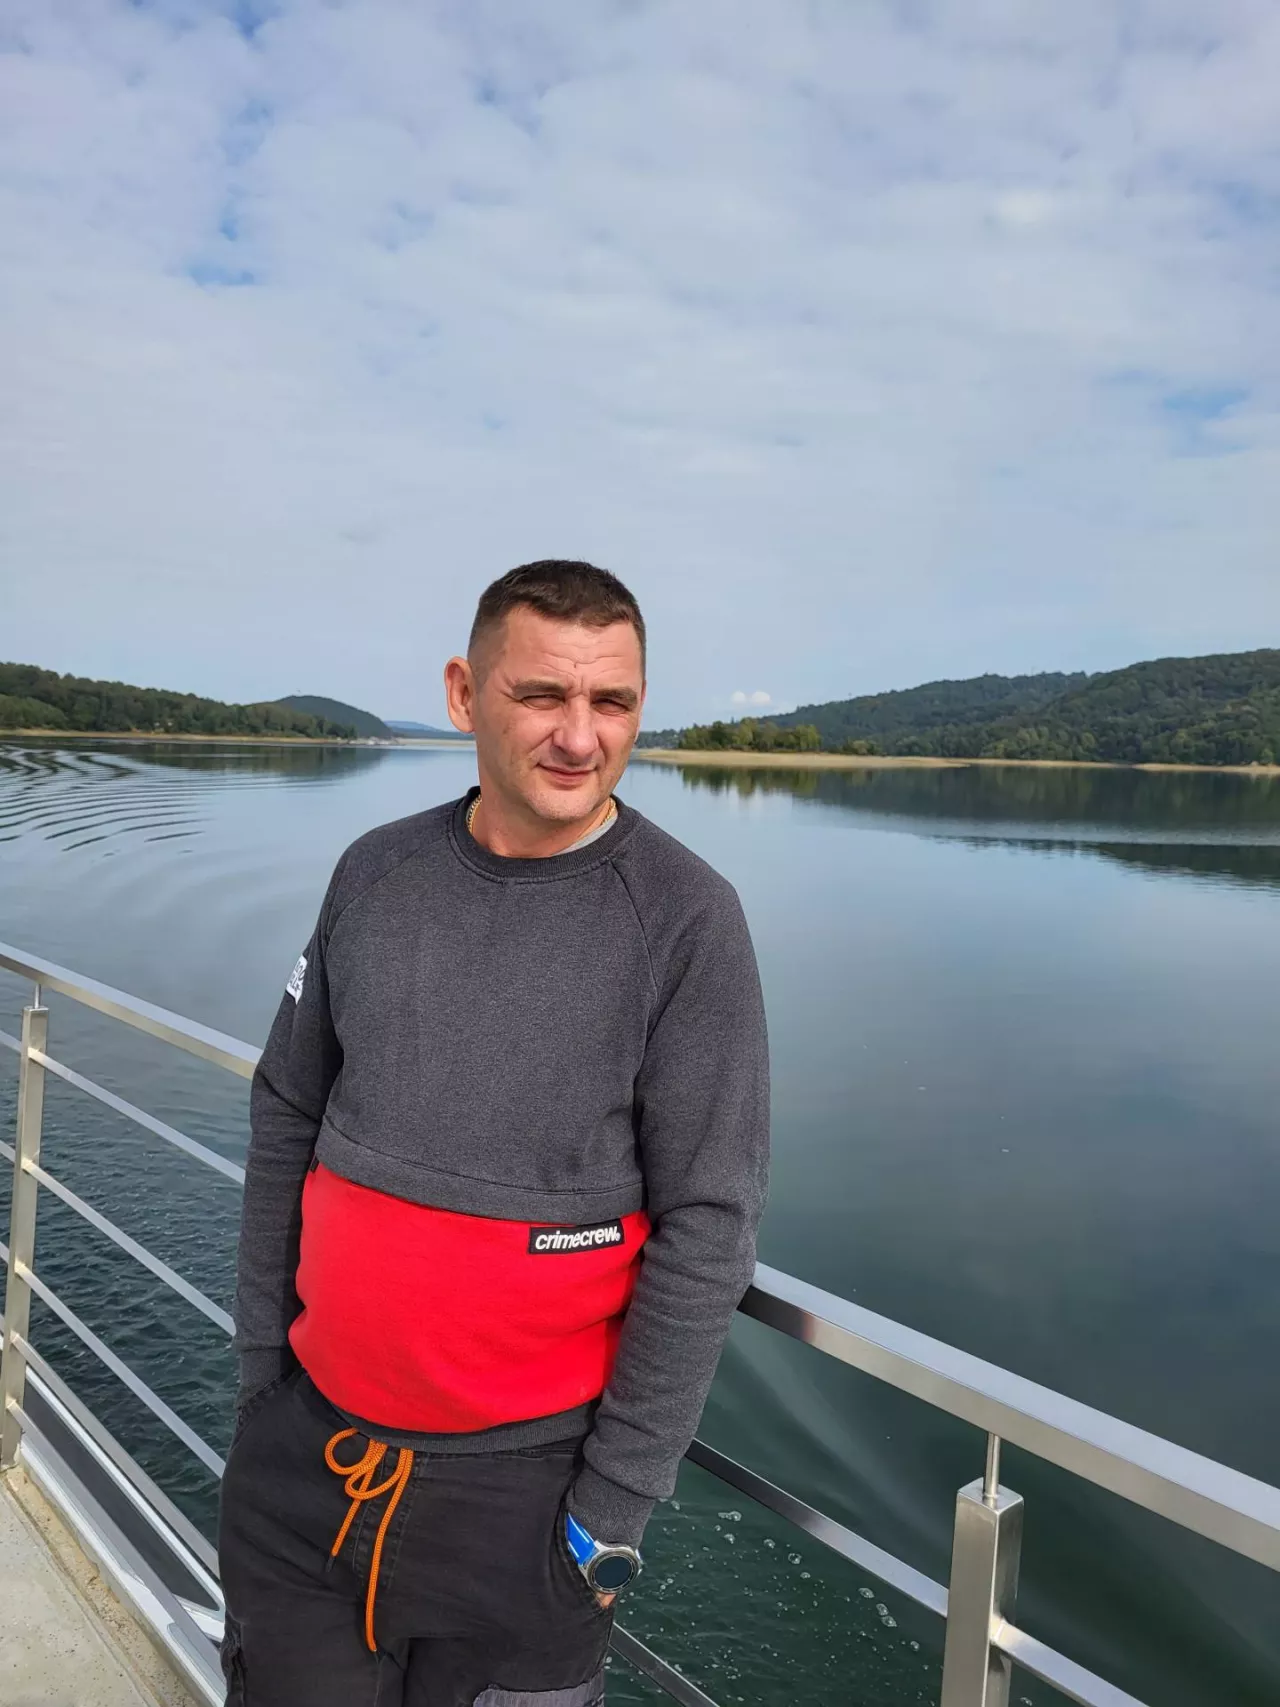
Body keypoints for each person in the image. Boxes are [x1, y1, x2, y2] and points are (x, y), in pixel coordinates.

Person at [219, 559, 771, 1707]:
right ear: (464, 694)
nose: (579, 736)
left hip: (525, 1506)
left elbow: (708, 1223)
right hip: (304, 1463)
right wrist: (263, 1377)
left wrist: (607, 1515)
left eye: (611, 701)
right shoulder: (374, 873)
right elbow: (285, 1111)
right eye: (541, 695)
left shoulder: (686, 919)